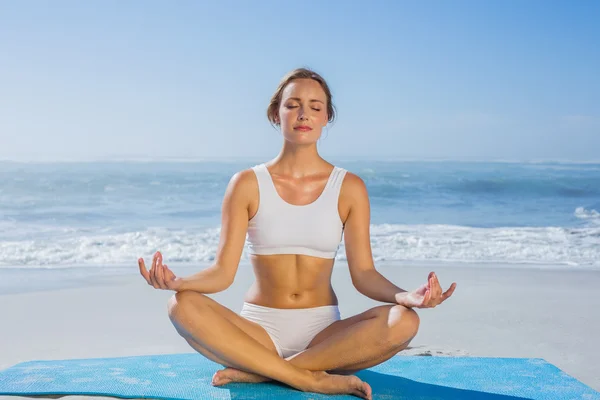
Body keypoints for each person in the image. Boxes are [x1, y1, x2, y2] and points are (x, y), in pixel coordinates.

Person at [138, 67, 457, 399]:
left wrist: (405, 296)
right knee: (180, 305)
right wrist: (178, 283)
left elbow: (363, 274)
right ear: (276, 113)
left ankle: (265, 372)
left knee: (404, 321)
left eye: (315, 107)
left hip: (325, 335)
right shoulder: (247, 183)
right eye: (293, 105)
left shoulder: (349, 187)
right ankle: (308, 378)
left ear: (326, 117)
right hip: (257, 331)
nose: (304, 114)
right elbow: (222, 274)